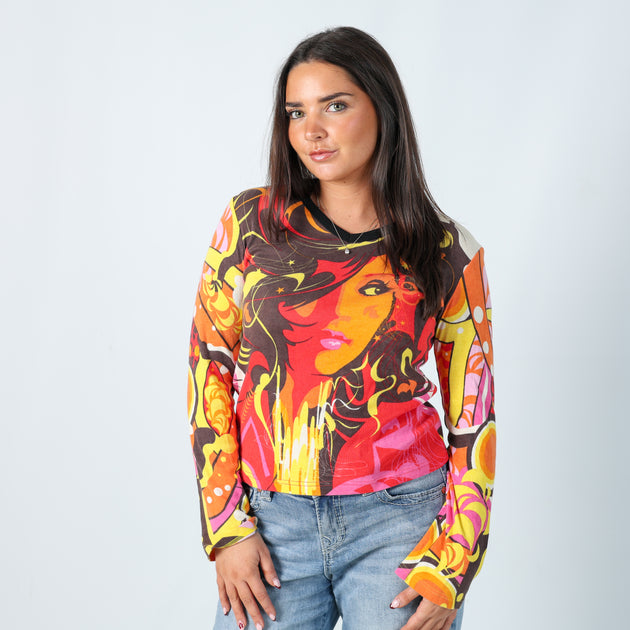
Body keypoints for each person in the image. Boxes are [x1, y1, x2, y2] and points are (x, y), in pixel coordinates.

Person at [187, 26, 495, 630]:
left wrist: (454, 564)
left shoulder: (448, 250)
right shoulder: (249, 224)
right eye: (296, 112)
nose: (311, 131)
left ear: (382, 107)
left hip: (402, 524)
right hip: (270, 525)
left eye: (334, 105)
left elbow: (474, 417)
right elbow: (209, 369)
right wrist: (226, 527)